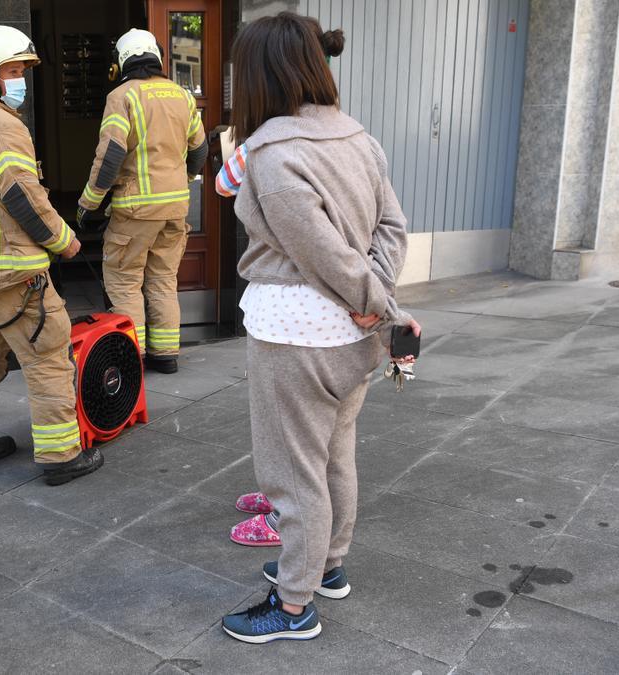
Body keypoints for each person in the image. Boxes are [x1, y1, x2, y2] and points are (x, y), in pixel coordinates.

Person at [217, 13, 421, 644]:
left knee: (292, 471)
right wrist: (376, 299)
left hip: (296, 335)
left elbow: (319, 250)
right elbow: (392, 226)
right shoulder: (357, 136)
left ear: (257, 76)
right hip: (351, 341)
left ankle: (295, 603)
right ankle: (326, 568)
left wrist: (370, 300)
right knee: (335, 457)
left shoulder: (272, 154)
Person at [0, 25, 103, 485]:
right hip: (14, 272)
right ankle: (60, 455)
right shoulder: (3, 126)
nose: (20, 80)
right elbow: (23, 198)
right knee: (48, 359)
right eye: (12, 70)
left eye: (22, 70)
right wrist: (65, 241)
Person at [77, 28, 209, 373]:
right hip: (176, 208)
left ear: (122, 61)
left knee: (124, 281)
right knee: (164, 280)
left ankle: (130, 358)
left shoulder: (122, 96)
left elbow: (111, 156)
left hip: (135, 209)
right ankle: (165, 356)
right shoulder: (181, 95)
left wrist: (88, 204)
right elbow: (200, 148)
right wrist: (186, 179)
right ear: (157, 56)